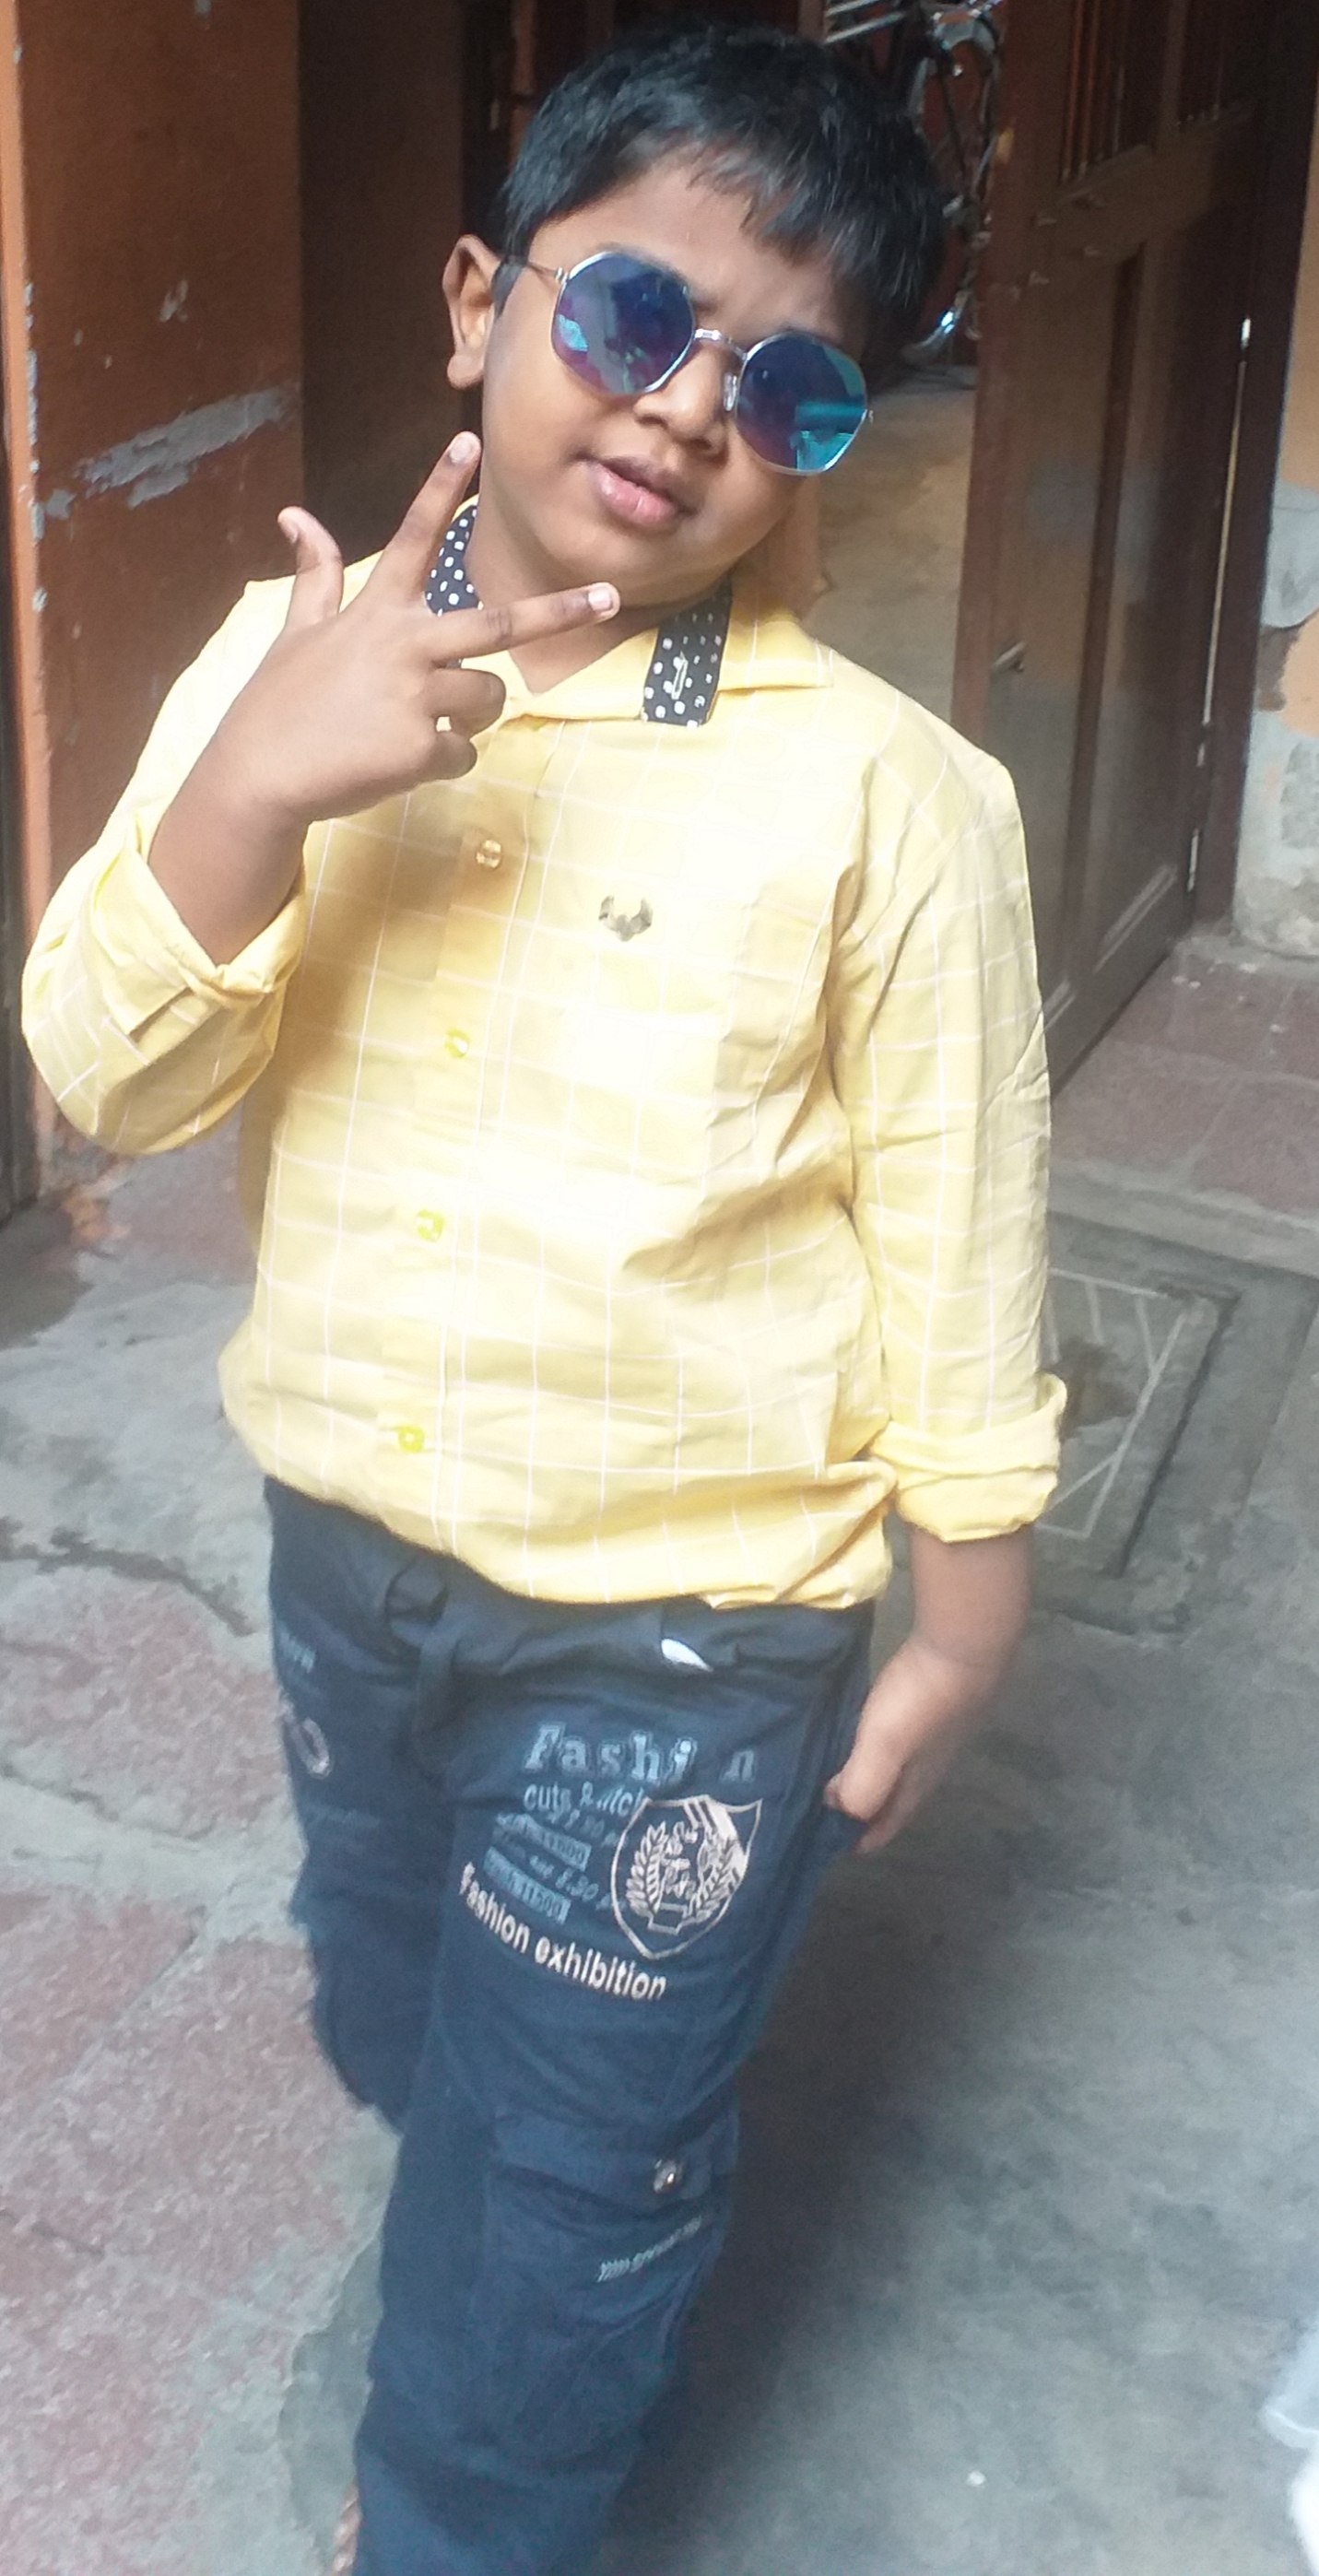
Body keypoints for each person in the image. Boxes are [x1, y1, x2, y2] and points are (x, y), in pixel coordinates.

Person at [22, 21, 1064, 2573]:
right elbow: (107, 1078)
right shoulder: (274, 671)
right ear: (482, 300)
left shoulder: (890, 802)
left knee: (580, 2165)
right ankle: (494, 2203)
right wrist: (258, 785)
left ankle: (464, 2512)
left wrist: (964, 1613)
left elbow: (958, 1221)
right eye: (633, 315)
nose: (691, 406)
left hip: (691, 1630)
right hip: (351, 1556)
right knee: (398, 1992)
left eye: (787, 386)